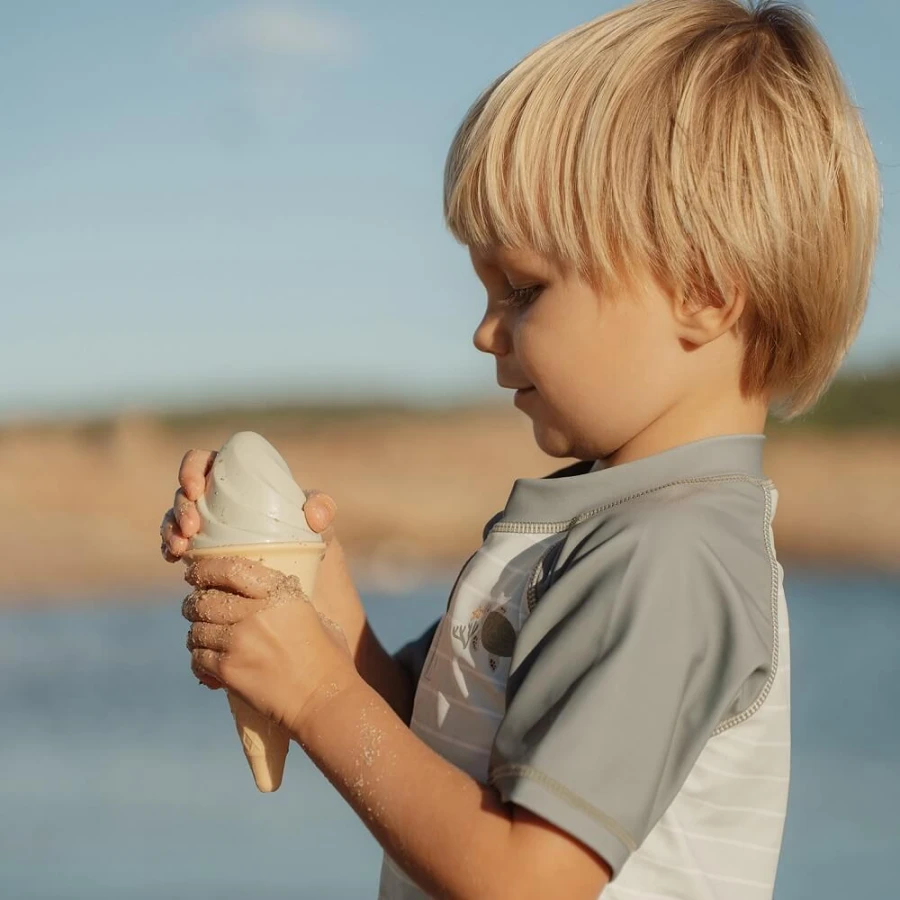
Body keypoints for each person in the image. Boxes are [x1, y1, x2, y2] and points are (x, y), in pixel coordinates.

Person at [160, 0, 880, 896]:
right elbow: (426, 749)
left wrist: (314, 694)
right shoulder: (599, 530)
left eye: (524, 289)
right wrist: (309, 591)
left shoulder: (671, 556)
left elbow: (527, 880)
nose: (484, 331)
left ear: (702, 292)